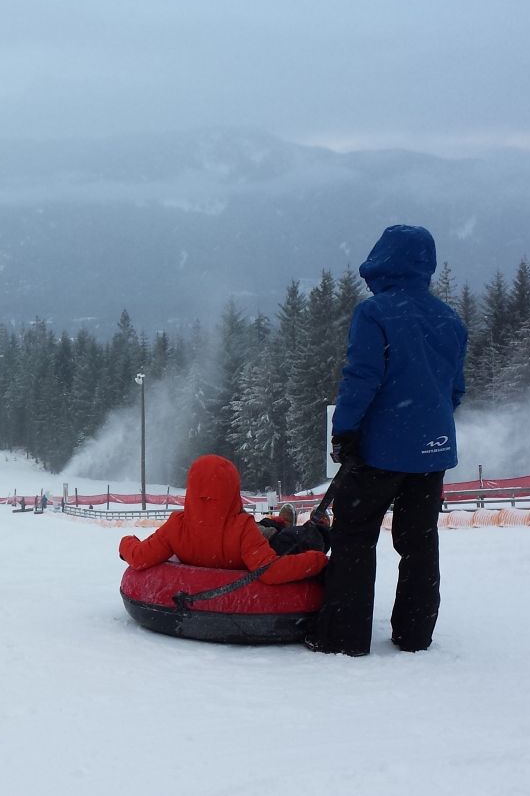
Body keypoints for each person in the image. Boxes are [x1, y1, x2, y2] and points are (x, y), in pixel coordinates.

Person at [306, 224, 467, 657]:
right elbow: (455, 389)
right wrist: (425, 426)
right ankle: (414, 636)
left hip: (380, 450)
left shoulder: (375, 314)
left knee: (355, 537)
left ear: (384, 259)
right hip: (432, 452)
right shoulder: (449, 319)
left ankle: (345, 638)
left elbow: (361, 379)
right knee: (419, 541)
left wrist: (346, 432)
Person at [118, 455, 327, 583]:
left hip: (247, 533)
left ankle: (281, 522)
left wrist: (126, 542)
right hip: (258, 538)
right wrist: (316, 560)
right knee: (282, 534)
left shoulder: (176, 526)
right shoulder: (242, 527)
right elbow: (269, 571)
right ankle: (309, 526)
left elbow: (139, 556)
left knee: (266, 526)